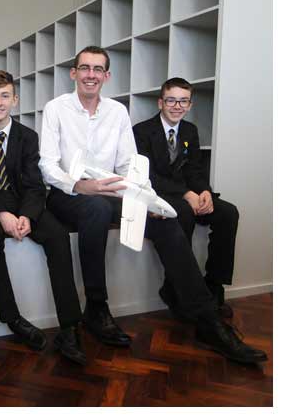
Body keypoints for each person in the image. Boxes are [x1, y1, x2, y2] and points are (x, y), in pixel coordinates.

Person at [40, 47, 265, 365]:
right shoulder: (55, 109)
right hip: (69, 192)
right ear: (73, 73)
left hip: (111, 191)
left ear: (107, 76)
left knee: (165, 218)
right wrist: (79, 185)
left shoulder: (117, 112)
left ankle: (207, 321)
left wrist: (149, 200)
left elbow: (130, 165)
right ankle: (97, 306)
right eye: (85, 68)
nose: (91, 74)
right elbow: (47, 165)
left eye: (98, 69)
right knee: (97, 210)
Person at [0, 70, 87, 364]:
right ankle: (13, 318)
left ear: (15, 99)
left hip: (24, 203)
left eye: (4, 95)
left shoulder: (28, 137)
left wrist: (27, 216)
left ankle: (69, 327)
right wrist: (2, 214)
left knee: (56, 236)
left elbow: (33, 184)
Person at [133, 78, 240, 319]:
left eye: (183, 101)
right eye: (171, 100)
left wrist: (204, 193)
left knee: (228, 212)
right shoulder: (141, 131)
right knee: (183, 212)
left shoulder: (190, 130)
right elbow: (148, 176)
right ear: (161, 102)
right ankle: (176, 289)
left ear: (190, 105)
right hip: (157, 194)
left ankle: (214, 286)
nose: (177, 106)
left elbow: (194, 171)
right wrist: (186, 193)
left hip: (188, 193)